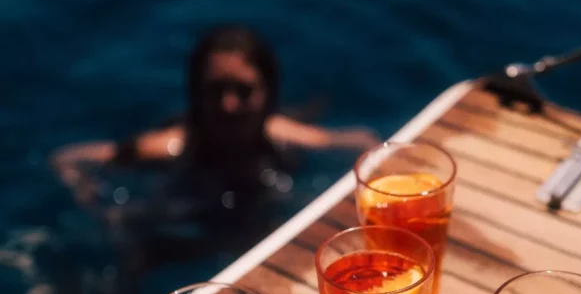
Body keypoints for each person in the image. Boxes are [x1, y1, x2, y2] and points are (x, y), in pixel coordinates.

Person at [51, 25, 379, 201]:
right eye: (216, 90)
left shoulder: (280, 131)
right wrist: (88, 196)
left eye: (244, 91)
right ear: (196, 91)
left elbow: (366, 142)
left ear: (268, 93)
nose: (228, 105)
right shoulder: (169, 145)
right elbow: (68, 158)